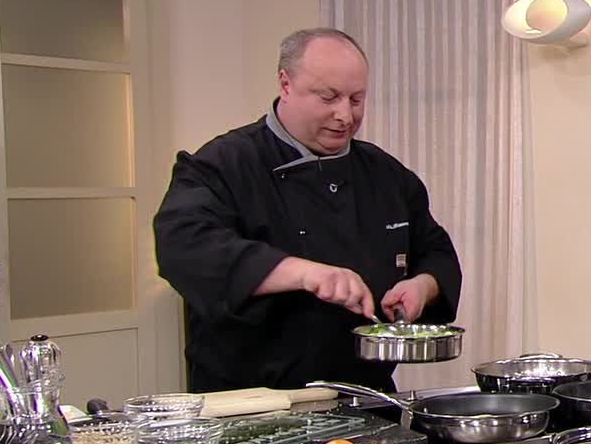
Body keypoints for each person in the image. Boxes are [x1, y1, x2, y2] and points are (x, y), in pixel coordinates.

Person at [154, 28, 463, 393]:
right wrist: (303, 273)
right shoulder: (223, 164)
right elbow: (183, 247)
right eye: (328, 97)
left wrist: (422, 286)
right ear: (285, 84)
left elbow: (435, 252)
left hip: (366, 396)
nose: (344, 115)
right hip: (249, 402)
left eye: (357, 99)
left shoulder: (386, 175)